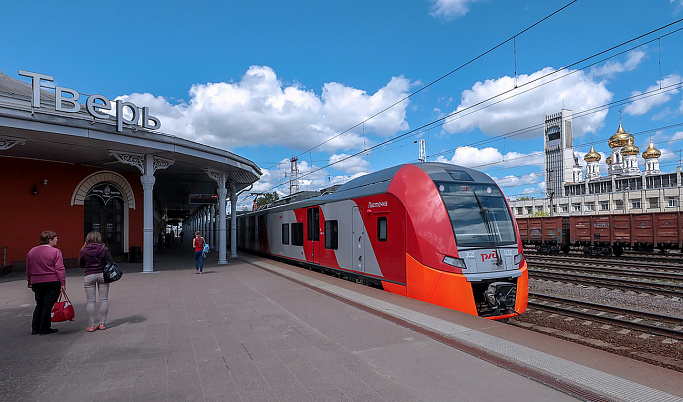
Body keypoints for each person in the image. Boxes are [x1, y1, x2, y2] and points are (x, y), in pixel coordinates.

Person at [26, 230, 66, 335]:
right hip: (52, 281)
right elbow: (59, 268)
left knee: (39, 304)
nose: (57, 240)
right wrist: (62, 283)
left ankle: (35, 328)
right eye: (55, 238)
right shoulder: (56, 252)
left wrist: (29, 280)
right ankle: (45, 328)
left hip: (36, 281)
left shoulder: (32, 251)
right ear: (50, 240)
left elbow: (29, 268)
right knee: (48, 305)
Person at [78, 231, 111, 332]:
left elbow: (80, 264)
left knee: (90, 301)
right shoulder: (104, 249)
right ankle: (102, 323)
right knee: (104, 299)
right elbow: (109, 261)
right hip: (102, 275)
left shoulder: (83, 250)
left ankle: (91, 325)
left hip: (89, 275)